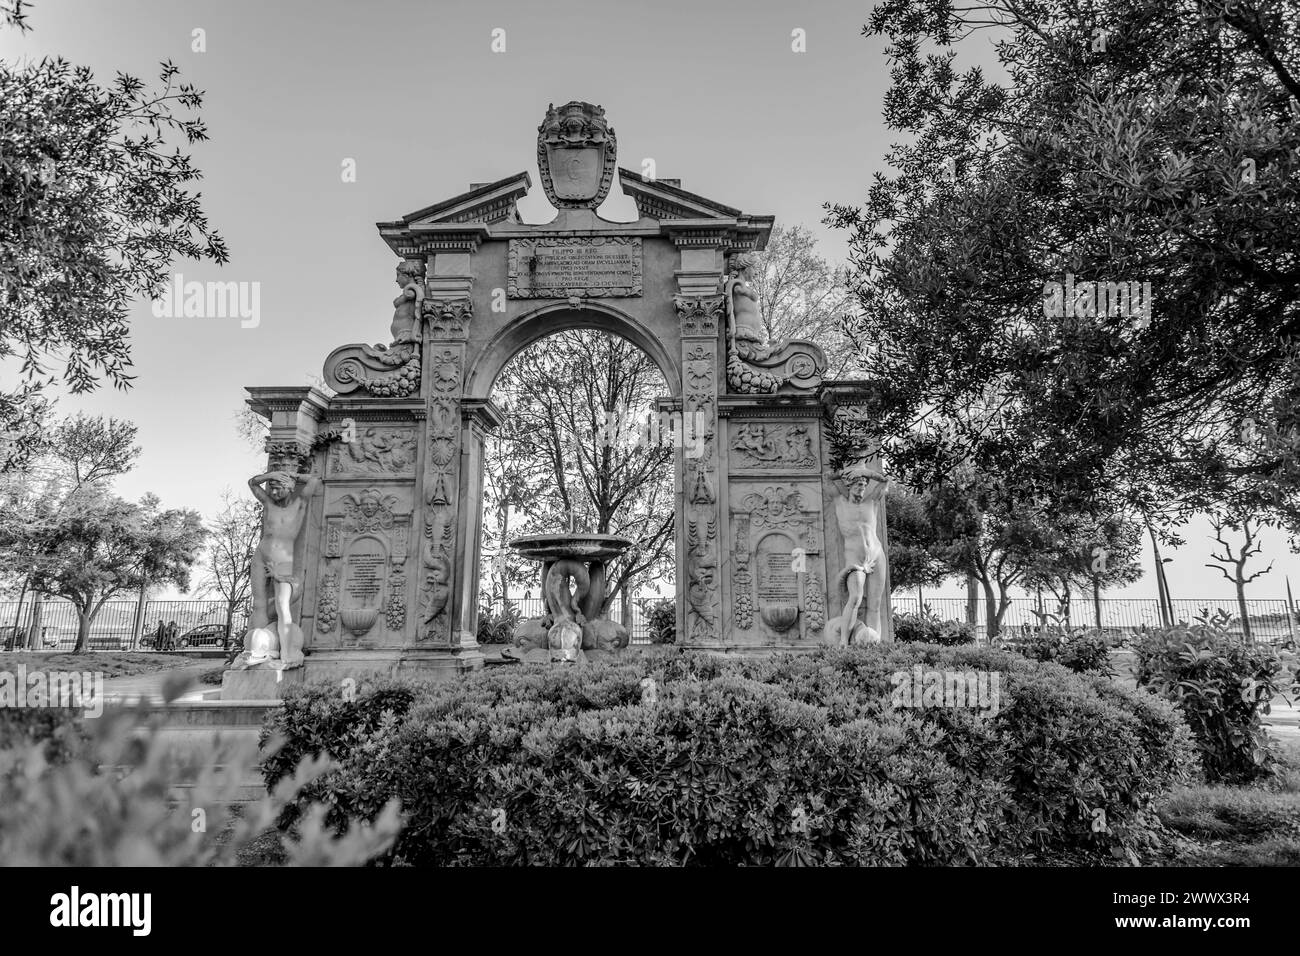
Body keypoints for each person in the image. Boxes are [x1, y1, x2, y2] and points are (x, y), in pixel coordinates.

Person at [243, 469, 321, 668]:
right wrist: (273, 475)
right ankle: (258, 650)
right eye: (273, 489)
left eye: (278, 489)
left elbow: (313, 480)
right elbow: (252, 483)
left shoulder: (299, 505)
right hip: (262, 553)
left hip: (283, 556)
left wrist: (293, 476)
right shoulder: (269, 504)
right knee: (259, 604)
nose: (274, 493)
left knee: (281, 605)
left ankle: (288, 653)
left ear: (289, 489)